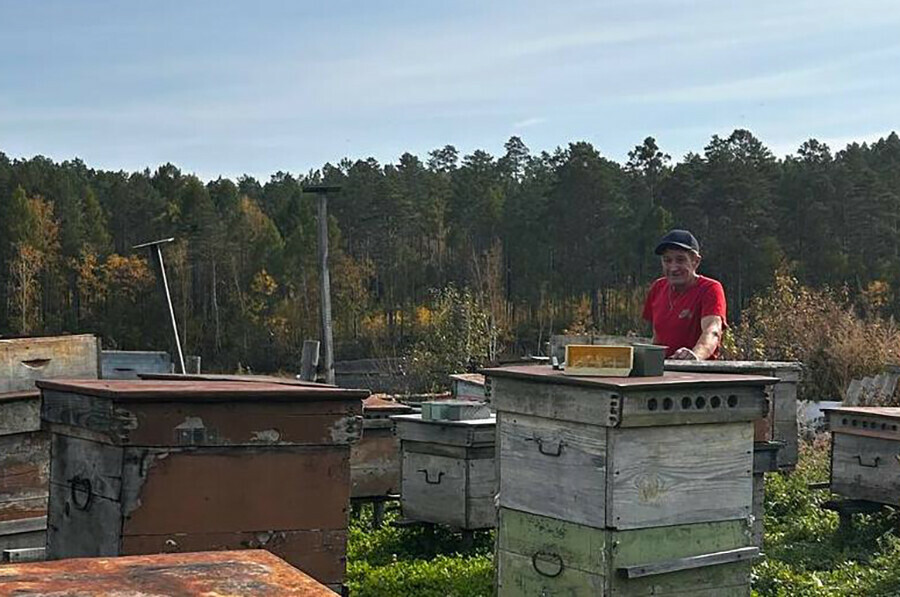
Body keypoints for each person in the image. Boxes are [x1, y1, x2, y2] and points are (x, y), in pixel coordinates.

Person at [641, 229, 726, 360]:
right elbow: (657, 337)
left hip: (698, 374)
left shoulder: (710, 288)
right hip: (665, 372)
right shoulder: (658, 287)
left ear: (695, 261)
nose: (673, 267)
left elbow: (712, 330)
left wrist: (695, 356)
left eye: (680, 260)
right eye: (667, 260)